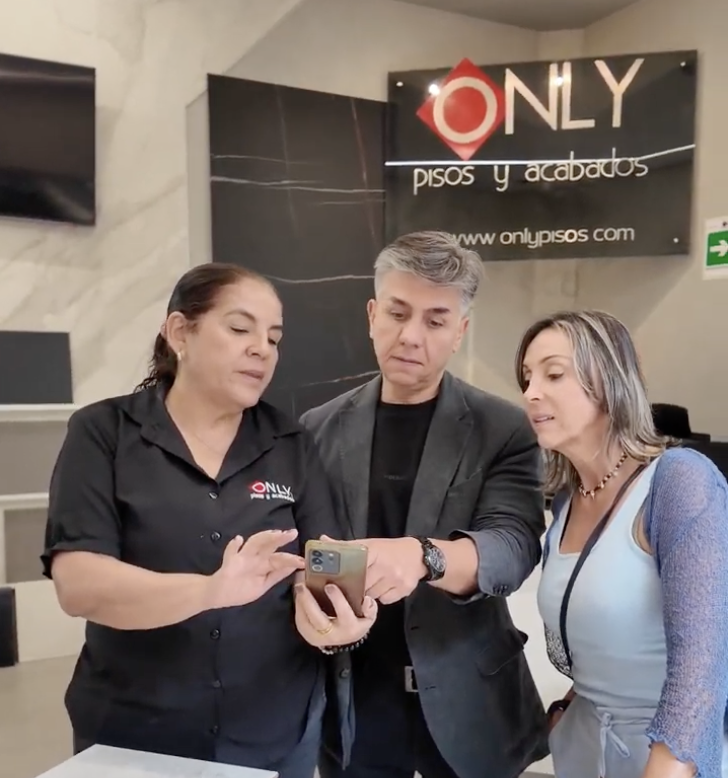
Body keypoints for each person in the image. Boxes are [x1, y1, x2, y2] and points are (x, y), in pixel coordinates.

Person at [41, 263, 375, 778]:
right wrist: (209, 591)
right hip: (136, 736)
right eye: (240, 329)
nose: (262, 349)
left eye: (274, 338)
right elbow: (79, 584)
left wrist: (340, 621)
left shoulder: (291, 444)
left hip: (274, 732)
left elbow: (324, 565)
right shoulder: (103, 433)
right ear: (180, 332)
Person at [300, 231, 549, 778]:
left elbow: (511, 546)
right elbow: (310, 552)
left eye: (435, 321)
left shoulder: (502, 428)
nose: (410, 336)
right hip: (356, 703)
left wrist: (422, 556)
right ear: (372, 316)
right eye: (397, 313)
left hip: (471, 703)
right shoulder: (318, 429)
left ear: (460, 331)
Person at [516, 309, 728, 778]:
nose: (531, 393)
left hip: (666, 759)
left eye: (553, 374)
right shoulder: (568, 501)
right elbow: (595, 643)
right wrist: (566, 711)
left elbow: (702, 677)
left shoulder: (679, 483)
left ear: (610, 380)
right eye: (527, 378)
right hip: (582, 754)